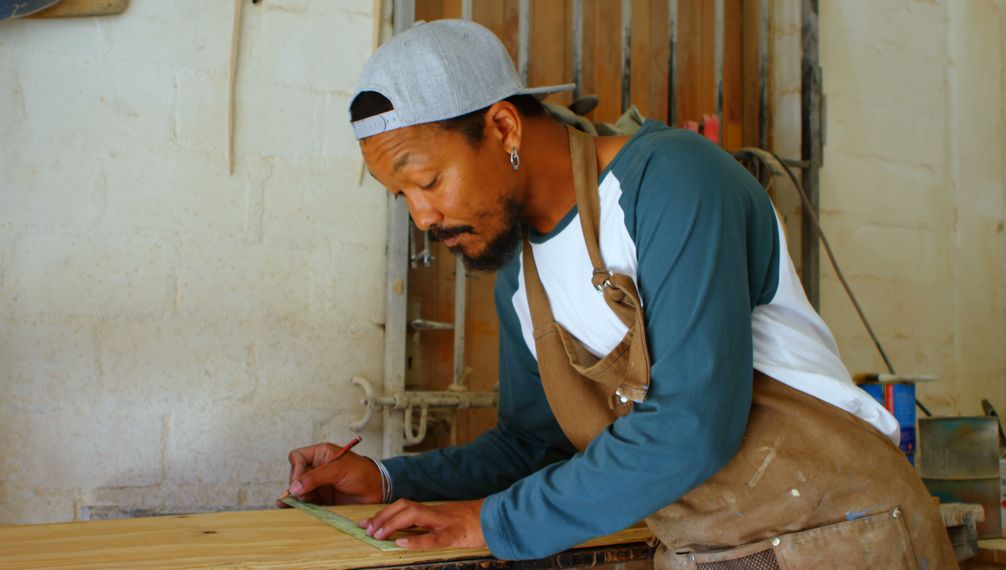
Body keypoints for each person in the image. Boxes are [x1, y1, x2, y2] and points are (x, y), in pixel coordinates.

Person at [283, 19, 956, 568]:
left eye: (426, 180)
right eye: (401, 197)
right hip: (709, 551)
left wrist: (489, 524)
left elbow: (692, 426)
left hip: (844, 538)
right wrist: (391, 481)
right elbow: (534, 446)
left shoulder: (674, 184)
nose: (422, 217)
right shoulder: (524, 278)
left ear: (503, 129)